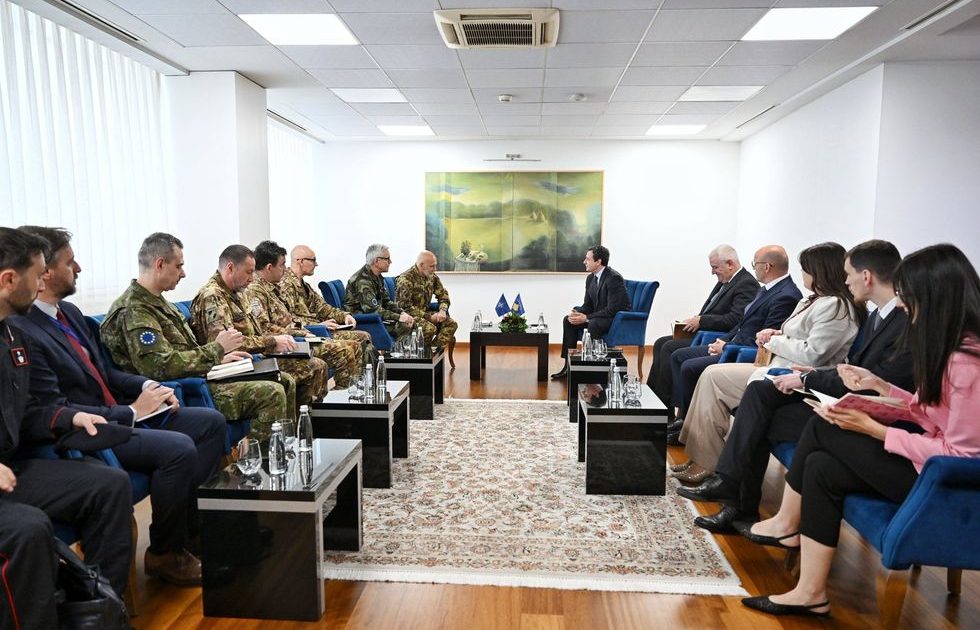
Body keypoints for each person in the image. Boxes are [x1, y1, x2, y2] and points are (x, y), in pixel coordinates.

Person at [739, 243, 980, 618]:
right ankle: (810, 592)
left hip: (943, 486)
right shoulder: (950, 349)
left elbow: (962, 457)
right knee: (820, 467)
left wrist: (876, 431)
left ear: (935, 299)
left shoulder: (966, 364)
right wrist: (882, 388)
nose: (904, 307)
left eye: (909, 297)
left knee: (825, 427)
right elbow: (934, 416)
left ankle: (787, 522)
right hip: (925, 468)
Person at [11, 226, 226, 585]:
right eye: (69, 262)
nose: (78, 268)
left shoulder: (70, 313)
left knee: (209, 423)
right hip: (94, 429)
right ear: (44, 272)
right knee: (178, 449)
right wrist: (132, 412)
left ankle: (191, 533)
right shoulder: (24, 331)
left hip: (119, 411)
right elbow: (56, 406)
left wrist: (146, 386)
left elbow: (104, 373)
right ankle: (166, 552)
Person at [680, 240, 913, 533]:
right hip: (828, 389)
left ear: (866, 276)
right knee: (758, 402)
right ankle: (735, 499)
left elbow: (866, 378)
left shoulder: (892, 320)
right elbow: (852, 368)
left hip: (856, 413)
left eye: (849, 274)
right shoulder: (879, 315)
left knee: (758, 408)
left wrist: (807, 375)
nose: (846, 280)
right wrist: (811, 372)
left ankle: (735, 498)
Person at [0, 227, 132, 627]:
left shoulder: (12, 336)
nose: (42, 284)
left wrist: (68, 417)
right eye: (36, 275)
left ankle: (103, 612)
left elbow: (27, 412)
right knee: (28, 530)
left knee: (109, 485)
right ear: (8, 280)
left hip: (12, 471)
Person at [674, 242, 862, 485]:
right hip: (776, 366)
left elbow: (814, 353)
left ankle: (706, 462)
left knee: (712, 376)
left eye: (805, 269)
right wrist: (778, 333)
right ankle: (699, 456)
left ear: (819, 271)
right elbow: (798, 335)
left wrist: (774, 341)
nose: (802, 274)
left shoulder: (836, 306)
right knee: (710, 373)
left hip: (790, 374)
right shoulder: (814, 300)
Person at [100, 233, 289, 443]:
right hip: (179, 393)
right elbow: (158, 366)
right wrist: (216, 350)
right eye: (178, 266)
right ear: (160, 264)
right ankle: (261, 459)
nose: (183, 273)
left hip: (201, 377)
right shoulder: (134, 310)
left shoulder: (161, 304)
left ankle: (283, 449)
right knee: (271, 393)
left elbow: (185, 351)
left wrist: (219, 359)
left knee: (282, 378)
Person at [667, 245, 801, 435]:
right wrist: (723, 341)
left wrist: (727, 346)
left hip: (743, 352)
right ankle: (683, 419)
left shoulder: (785, 295)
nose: (753, 268)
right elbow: (741, 324)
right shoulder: (768, 290)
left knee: (689, 366)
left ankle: (687, 426)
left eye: (755, 264)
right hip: (733, 344)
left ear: (767, 267)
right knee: (680, 356)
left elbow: (765, 340)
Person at [190, 245, 326, 416]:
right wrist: (272, 342)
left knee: (315, 365)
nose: (252, 278)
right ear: (230, 268)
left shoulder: (237, 292)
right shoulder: (213, 296)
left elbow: (258, 330)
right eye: (248, 272)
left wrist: (281, 338)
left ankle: (302, 424)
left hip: (253, 357)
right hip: (233, 366)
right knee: (309, 369)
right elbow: (228, 346)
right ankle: (294, 426)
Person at [647, 244, 759, 408]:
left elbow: (735, 319)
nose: (712, 272)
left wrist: (701, 321)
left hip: (716, 336)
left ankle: (666, 405)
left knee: (669, 348)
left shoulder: (746, 283)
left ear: (730, 264)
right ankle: (652, 398)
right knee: (660, 343)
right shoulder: (727, 280)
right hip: (704, 332)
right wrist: (695, 319)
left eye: (715, 267)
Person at [246, 240, 363, 388]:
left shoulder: (275, 288)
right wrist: (309, 329)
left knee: (355, 345)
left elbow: (319, 308)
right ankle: (341, 398)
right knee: (343, 351)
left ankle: (350, 394)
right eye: (282, 265)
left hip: (299, 335)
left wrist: (342, 316)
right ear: (269, 268)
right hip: (284, 342)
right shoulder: (257, 290)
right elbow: (265, 327)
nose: (285, 268)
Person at [551, 245, 631, 379]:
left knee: (593, 324)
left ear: (598, 261)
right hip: (599, 316)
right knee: (568, 320)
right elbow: (588, 305)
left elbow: (612, 309)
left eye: (587, 259)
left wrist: (586, 318)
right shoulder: (590, 278)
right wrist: (578, 312)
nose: (584, 262)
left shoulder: (614, 278)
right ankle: (568, 367)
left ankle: (593, 370)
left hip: (615, 318)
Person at [279, 244, 373, 348]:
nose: (316, 264)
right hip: (307, 333)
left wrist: (345, 316)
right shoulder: (285, 285)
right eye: (313, 260)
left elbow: (323, 308)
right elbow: (287, 319)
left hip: (319, 329)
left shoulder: (304, 286)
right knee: (361, 338)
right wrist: (318, 325)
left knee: (364, 336)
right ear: (301, 261)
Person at [345, 244, 414, 341]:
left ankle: (401, 350)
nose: (390, 262)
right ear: (377, 261)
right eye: (387, 259)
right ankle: (397, 350)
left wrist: (402, 312)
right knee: (404, 326)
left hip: (375, 318)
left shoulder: (377, 277)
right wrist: (399, 317)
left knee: (410, 323)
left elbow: (386, 302)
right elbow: (372, 310)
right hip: (363, 321)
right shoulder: (362, 280)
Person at [395, 250, 458, 350]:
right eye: (432, 266)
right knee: (429, 328)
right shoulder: (406, 280)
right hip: (408, 318)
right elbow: (404, 308)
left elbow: (443, 295)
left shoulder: (431, 277)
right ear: (421, 265)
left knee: (451, 324)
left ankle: (432, 351)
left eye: (435, 266)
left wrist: (442, 310)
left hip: (424, 315)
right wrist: (429, 317)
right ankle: (422, 355)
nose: (435, 269)